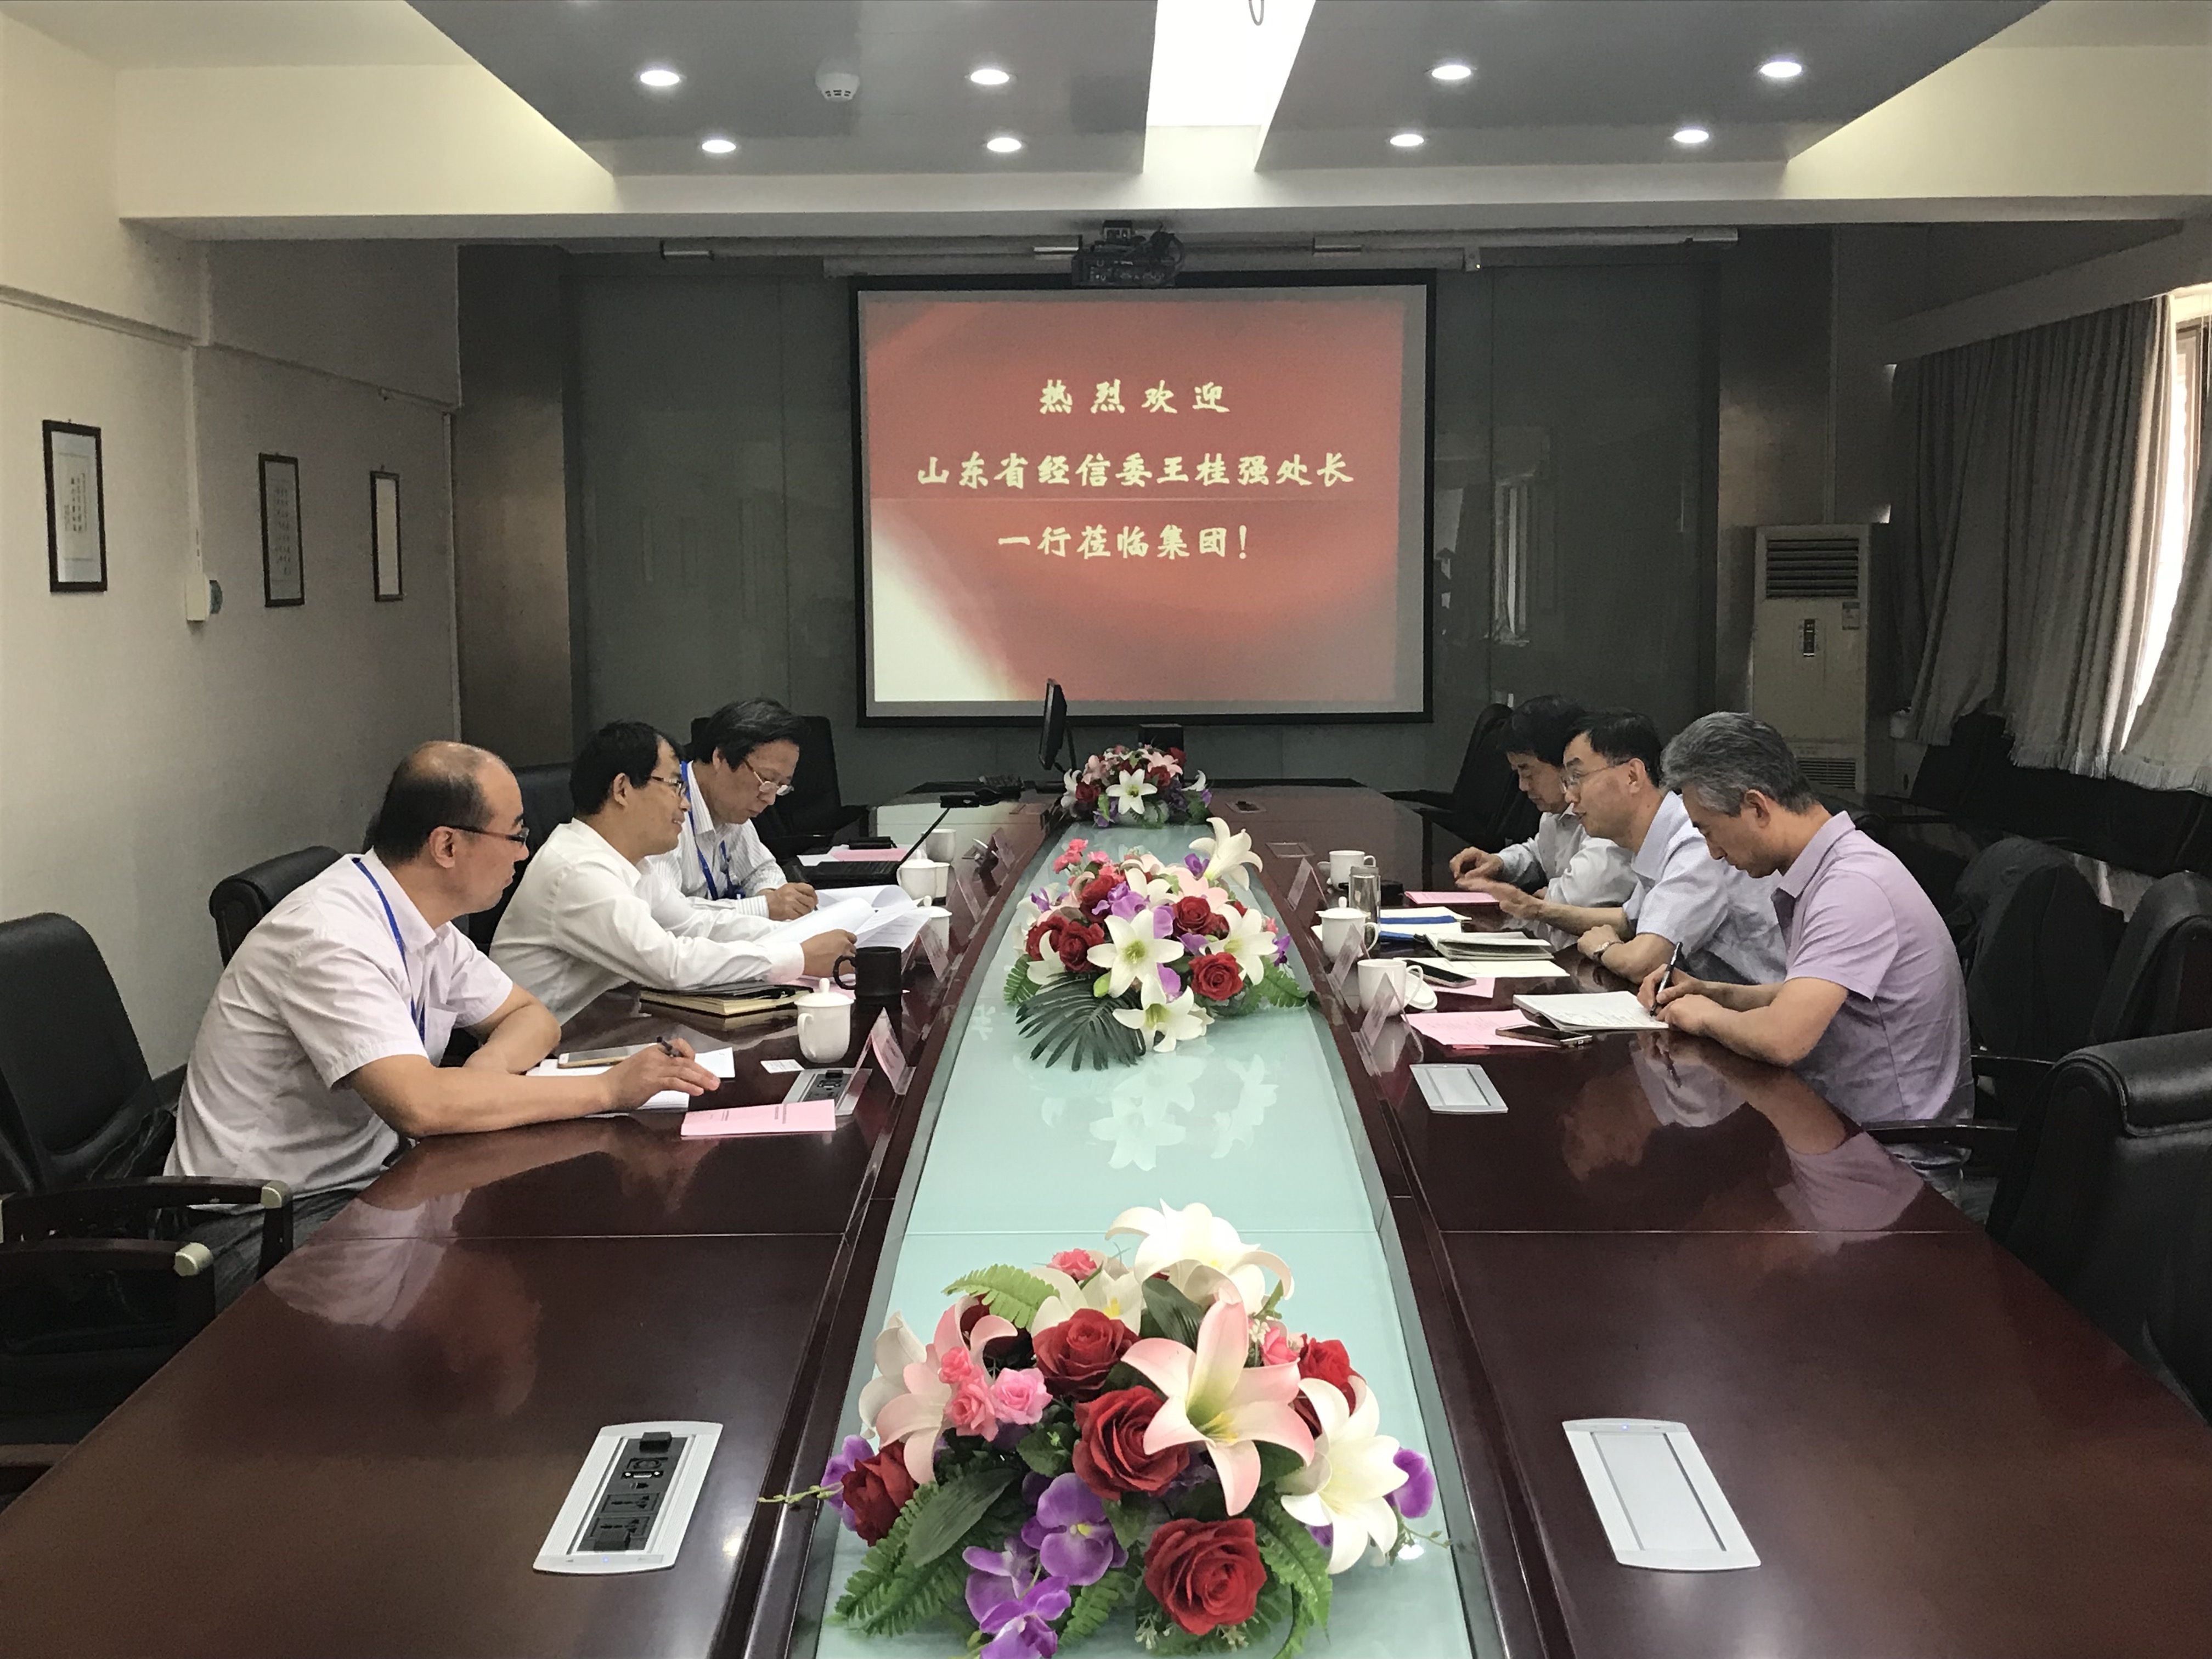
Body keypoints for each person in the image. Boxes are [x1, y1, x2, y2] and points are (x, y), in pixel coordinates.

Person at [172, 741, 717, 1301]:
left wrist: (483, 1075)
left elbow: (531, 1017)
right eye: (516, 835)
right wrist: (607, 1089)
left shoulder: (424, 923)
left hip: (372, 1183)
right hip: (260, 1224)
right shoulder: (331, 936)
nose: (524, 854)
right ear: (448, 846)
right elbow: (420, 1105)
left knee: (537, 1234)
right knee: (520, 1257)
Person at [1639, 711, 1970, 1125]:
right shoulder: (1832, 868)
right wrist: (1713, 993)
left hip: (1892, 1149)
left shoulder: (1852, 887)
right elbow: (1804, 996)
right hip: (1834, 1121)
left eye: (1709, 831)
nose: (1714, 853)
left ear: (1757, 807)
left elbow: (1784, 1038)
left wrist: (1705, 1017)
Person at [492, 721, 855, 1024]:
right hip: (546, 1050)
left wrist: (802, 936)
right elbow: (671, 964)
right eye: (673, 785)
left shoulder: (632, 862)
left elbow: (696, 925)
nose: (684, 803)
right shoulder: (578, 870)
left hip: (605, 1022)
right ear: (622, 789)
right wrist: (797, 956)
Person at [1557, 709, 1787, 986]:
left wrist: (1604, 947)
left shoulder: (1695, 839)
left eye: (1577, 777)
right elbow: (1630, 920)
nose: (1569, 796)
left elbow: (1644, 961)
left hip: (1765, 1002)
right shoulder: (1662, 832)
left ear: (1632, 775)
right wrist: (1536, 909)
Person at [1447, 695, 1634, 945]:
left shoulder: (1607, 813)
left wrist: (1530, 898)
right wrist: (1501, 864)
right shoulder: (1554, 811)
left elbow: (1581, 898)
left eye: (1528, 772)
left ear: (1564, 762)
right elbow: (1541, 852)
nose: (1523, 787)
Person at [658, 697, 819, 921]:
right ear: (720, 757)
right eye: (766, 780)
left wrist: (771, 896)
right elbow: (662, 914)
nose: (770, 799)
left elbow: (762, 870)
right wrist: (764, 907)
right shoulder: (660, 808)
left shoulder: (730, 808)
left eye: (781, 786)